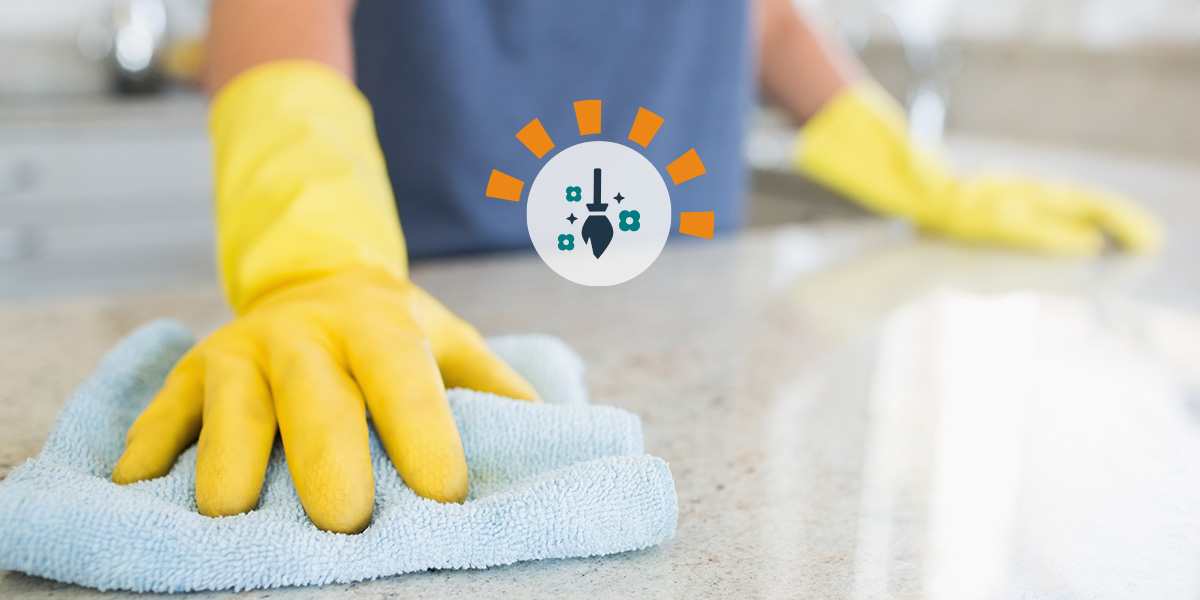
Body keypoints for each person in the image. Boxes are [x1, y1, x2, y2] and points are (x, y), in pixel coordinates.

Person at [111, 0, 1162, 534]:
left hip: (695, 306)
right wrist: (316, 260)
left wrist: (919, 178)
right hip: (436, 325)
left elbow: (765, 14)